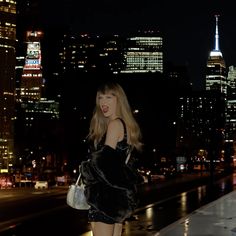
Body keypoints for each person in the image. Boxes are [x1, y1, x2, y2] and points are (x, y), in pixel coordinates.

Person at [80, 81, 143, 236]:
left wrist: (85, 169)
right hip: (117, 200)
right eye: (100, 98)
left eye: (109, 97)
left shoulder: (114, 124)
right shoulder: (125, 125)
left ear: (118, 100)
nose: (103, 102)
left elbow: (103, 163)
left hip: (104, 199)